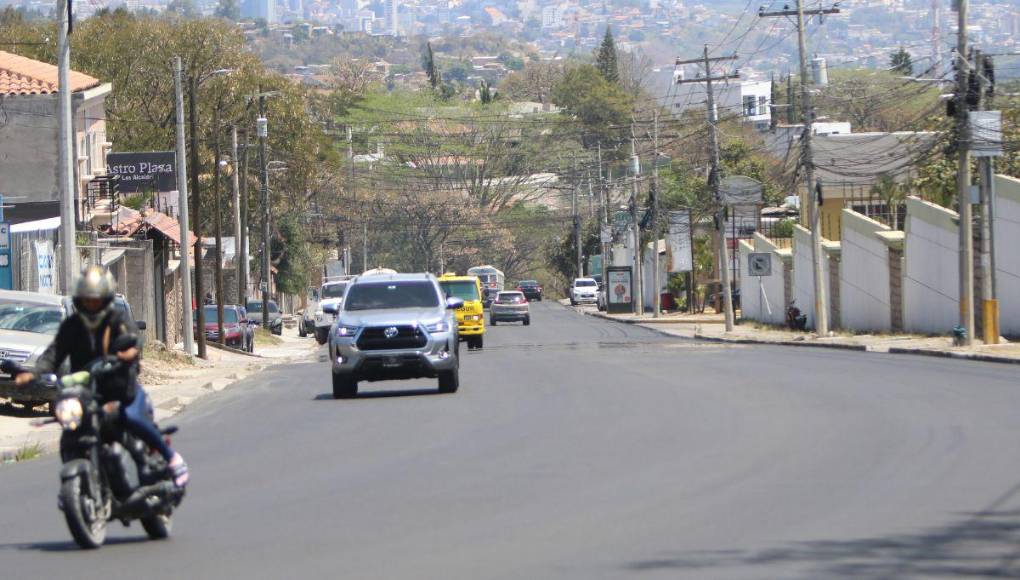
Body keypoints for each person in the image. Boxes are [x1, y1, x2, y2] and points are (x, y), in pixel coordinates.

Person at [15, 266, 189, 487]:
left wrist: (129, 353)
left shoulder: (117, 319)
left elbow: (133, 339)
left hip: (119, 386)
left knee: (131, 417)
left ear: (105, 299)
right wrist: (32, 374)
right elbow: (54, 353)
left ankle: (173, 459)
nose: (91, 304)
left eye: (96, 300)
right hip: (87, 390)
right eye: (87, 300)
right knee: (71, 425)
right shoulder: (72, 326)